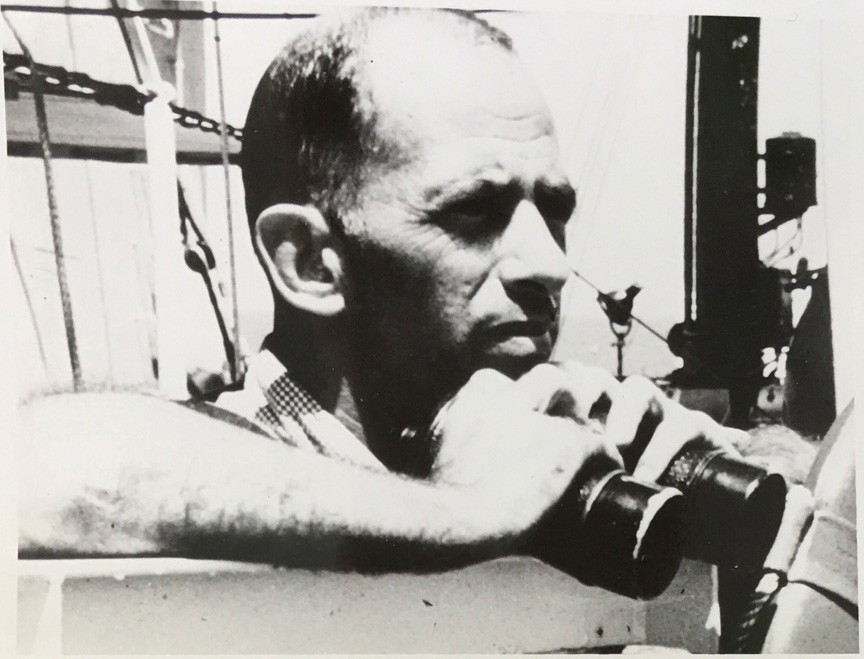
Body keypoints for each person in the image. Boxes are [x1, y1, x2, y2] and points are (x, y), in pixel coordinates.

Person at [19, 8, 756, 570]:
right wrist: (465, 509)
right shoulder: (214, 473)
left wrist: (723, 466)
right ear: (311, 262)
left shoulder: (552, 456)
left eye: (552, 212)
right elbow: (39, 464)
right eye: (473, 211)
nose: (550, 265)